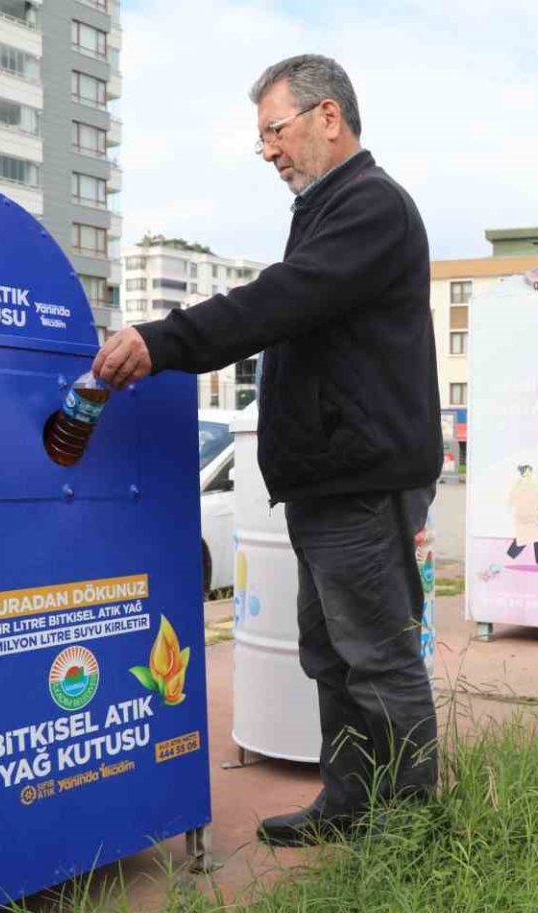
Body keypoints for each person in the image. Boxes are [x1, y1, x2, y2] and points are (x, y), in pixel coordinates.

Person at [92, 55, 442, 848]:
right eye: (263, 139)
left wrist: (164, 340)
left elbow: (280, 301)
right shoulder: (324, 210)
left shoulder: (371, 206)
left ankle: (414, 837)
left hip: (362, 480)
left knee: (376, 657)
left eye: (274, 131)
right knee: (330, 655)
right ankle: (350, 803)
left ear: (329, 116)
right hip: (328, 480)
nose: (269, 151)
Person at [505, 465, 538, 568]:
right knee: (524, 536)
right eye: (527, 471)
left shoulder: (536, 483)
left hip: (537, 511)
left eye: (530, 471)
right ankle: (510, 555)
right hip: (525, 512)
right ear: (523, 472)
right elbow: (512, 498)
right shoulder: (518, 484)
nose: (529, 473)